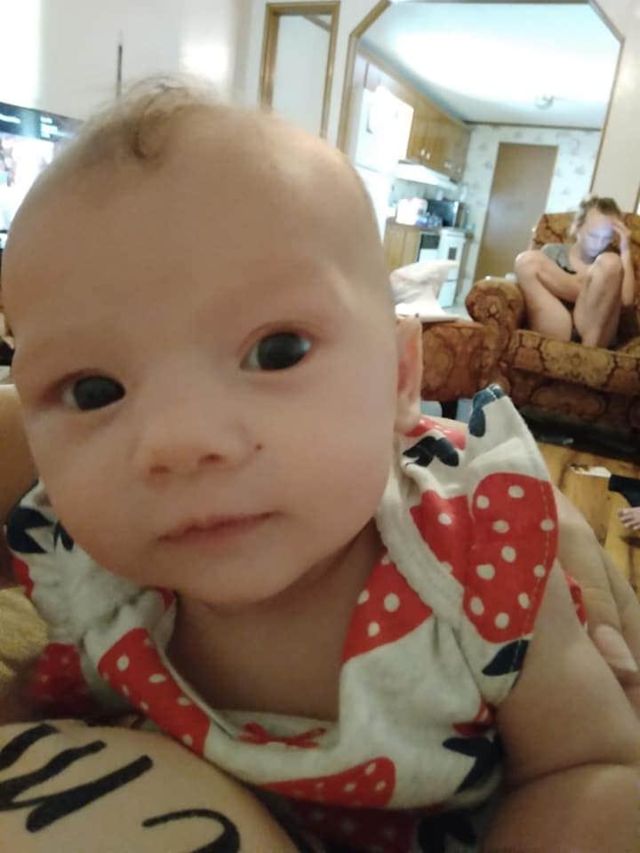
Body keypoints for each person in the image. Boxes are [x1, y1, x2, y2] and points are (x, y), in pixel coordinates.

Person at [1, 81, 639, 852]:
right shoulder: (82, 568)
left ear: (401, 380)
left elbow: (591, 768)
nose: (179, 440)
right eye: (94, 390)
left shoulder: (484, 567)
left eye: (277, 351)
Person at [514, 195, 636, 348]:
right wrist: (590, 288)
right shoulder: (553, 252)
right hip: (558, 327)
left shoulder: (613, 264)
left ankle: (588, 355)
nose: (599, 243)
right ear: (577, 227)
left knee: (610, 262)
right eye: (593, 235)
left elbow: (627, 300)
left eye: (606, 238)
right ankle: (587, 289)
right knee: (526, 260)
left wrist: (625, 250)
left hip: (595, 336)